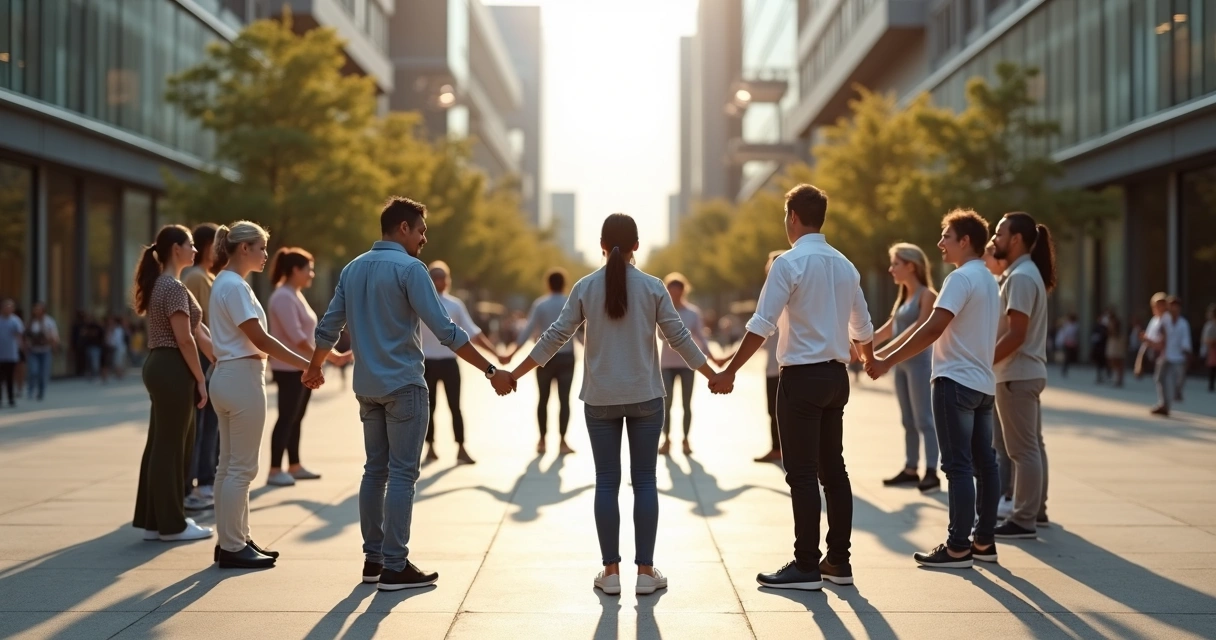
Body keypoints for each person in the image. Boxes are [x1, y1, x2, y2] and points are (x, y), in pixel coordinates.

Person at [306, 197, 515, 591]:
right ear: (402, 228)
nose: (423, 239)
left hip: (367, 388)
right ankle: (395, 566)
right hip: (403, 385)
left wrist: (316, 366)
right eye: (420, 230)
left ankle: (373, 560)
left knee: (374, 471)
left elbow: (328, 326)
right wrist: (490, 370)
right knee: (403, 473)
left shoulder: (352, 269)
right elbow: (446, 330)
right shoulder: (410, 269)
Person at [507, 212, 719, 597]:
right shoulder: (654, 288)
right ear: (636, 245)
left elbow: (555, 336)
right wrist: (714, 374)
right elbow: (679, 338)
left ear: (602, 246)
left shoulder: (586, 287)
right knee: (645, 483)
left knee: (606, 481)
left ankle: (610, 572)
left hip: (600, 399)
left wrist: (513, 374)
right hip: (646, 399)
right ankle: (645, 571)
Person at [715, 184, 874, 590]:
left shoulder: (789, 263)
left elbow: (761, 324)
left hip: (802, 377)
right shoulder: (846, 265)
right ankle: (839, 561)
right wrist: (867, 356)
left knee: (801, 473)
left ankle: (806, 565)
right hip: (837, 378)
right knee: (833, 471)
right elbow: (863, 327)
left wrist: (729, 371)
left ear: (792, 217)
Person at [868, 209, 1001, 569]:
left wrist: (885, 361)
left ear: (965, 241)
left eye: (946, 236)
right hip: (983, 384)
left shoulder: (960, 279)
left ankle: (958, 547)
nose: (941, 243)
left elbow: (931, 329)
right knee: (984, 464)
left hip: (954, 381)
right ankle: (984, 541)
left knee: (958, 466)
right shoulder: (989, 279)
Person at [208, 220, 315, 569]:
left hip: (227, 375)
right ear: (244, 248)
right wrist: (306, 365)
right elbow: (261, 339)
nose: (267, 254)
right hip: (241, 377)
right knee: (241, 467)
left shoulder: (225, 283)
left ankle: (232, 540)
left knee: (228, 465)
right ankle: (234, 545)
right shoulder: (235, 286)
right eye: (261, 248)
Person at [131, 225, 215, 543]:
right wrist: (200, 378)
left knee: (161, 444)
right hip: (171, 367)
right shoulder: (173, 287)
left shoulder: (164, 284)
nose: (195, 250)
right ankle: (172, 524)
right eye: (190, 244)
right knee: (172, 446)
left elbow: (199, 332)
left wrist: (219, 360)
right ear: (175, 250)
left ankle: (155, 521)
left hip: (160, 365)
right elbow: (185, 339)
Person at [988, 212, 1055, 540]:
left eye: (999, 233)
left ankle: (1024, 519)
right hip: (1024, 373)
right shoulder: (1025, 274)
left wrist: (982, 362)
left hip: (1017, 374)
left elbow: (1016, 334)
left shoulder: (1021, 277)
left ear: (1015, 239)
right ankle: (1035, 510)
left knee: (1022, 450)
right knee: (1032, 446)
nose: (994, 239)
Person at [266, 247, 351, 487]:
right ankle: (274, 469)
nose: (312, 274)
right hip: (288, 368)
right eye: (308, 269)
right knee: (287, 417)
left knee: (296, 417)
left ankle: (294, 465)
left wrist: (332, 356)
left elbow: (308, 337)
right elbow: (298, 338)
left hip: (299, 367)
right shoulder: (283, 296)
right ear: (295, 270)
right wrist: (330, 358)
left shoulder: (294, 294)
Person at [873, 243, 940, 494]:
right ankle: (911, 469)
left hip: (920, 365)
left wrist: (883, 354)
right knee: (908, 420)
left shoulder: (927, 295)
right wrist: (861, 347)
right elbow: (890, 328)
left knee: (925, 419)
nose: (891, 269)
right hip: (901, 366)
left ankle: (931, 471)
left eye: (895, 264)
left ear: (911, 266)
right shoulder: (904, 295)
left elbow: (917, 329)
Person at [419, 261, 500, 465]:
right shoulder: (419, 303)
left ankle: (461, 447)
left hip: (449, 362)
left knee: (455, 406)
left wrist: (495, 353)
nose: (440, 281)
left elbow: (473, 334)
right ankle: (430, 447)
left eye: (443, 277)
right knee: (429, 407)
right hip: (426, 362)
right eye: (435, 277)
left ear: (448, 280)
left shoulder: (455, 305)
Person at [501, 268, 580, 455]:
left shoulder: (540, 304)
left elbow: (527, 331)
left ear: (548, 284)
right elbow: (580, 333)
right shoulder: (571, 302)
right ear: (565, 283)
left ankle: (542, 441)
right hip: (567, 357)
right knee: (564, 400)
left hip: (543, 359)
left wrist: (511, 353)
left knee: (543, 399)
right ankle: (562, 442)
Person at [183, 223, 224, 511]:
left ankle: (204, 479)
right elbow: (199, 326)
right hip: (204, 360)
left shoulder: (208, 277)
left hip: (211, 360)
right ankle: (199, 482)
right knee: (204, 427)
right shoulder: (196, 276)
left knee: (211, 426)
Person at [656, 273, 712, 456]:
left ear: (683, 291)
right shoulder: (662, 311)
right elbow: (660, 335)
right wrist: (677, 340)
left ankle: (686, 440)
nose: (674, 295)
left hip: (688, 364)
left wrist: (710, 356)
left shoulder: (692, 312)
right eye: (671, 292)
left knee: (687, 404)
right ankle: (666, 440)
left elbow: (701, 336)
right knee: (667, 403)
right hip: (666, 364)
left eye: (677, 292)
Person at [752, 251, 786, 464]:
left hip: (786, 365)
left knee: (781, 412)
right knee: (773, 412)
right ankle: (777, 449)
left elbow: (760, 329)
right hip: (774, 366)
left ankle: (782, 449)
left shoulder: (782, 296)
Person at [1144, 296, 1192, 417]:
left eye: (1176, 307)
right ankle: (1164, 404)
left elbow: (1186, 341)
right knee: (1160, 378)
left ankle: (1174, 396)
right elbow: (1156, 336)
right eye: (1171, 307)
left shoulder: (1183, 324)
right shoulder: (1163, 321)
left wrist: (1187, 354)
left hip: (1178, 356)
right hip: (1165, 355)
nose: (1173, 309)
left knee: (1176, 381)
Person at [23, 302, 58, 401]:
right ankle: (30, 390)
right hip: (33, 350)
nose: (37, 311)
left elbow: (54, 336)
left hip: (45, 350)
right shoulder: (31, 322)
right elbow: (25, 335)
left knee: (43, 373)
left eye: (39, 309)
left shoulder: (49, 321)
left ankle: (41, 391)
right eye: (35, 309)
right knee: (33, 371)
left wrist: (54, 346)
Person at [0, 300, 23, 407]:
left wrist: (21, 349)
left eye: (10, 307)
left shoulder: (15, 321)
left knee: (10, 377)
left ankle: (10, 399)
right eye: (5, 307)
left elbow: (20, 336)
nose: (7, 309)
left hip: (11, 354)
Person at [1105, 310, 1127, 388]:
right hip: (1113, 342)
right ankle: (1116, 378)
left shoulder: (1115, 323)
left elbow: (1114, 333)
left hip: (1116, 343)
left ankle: (1118, 379)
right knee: (1113, 361)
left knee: (1117, 361)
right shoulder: (1110, 323)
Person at [106, 315, 128, 380]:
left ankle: (119, 374)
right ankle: (118, 374)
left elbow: (117, 340)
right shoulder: (112, 329)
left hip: (119, 348)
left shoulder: (118, 329)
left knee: (118, 361)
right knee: (116, 361)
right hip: (114, 348)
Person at [1203, 304, 1216, 393]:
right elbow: (1206, 339)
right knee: (1212, 367)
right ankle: (1211, 385)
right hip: (1212, 349)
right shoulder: (1210, 325)